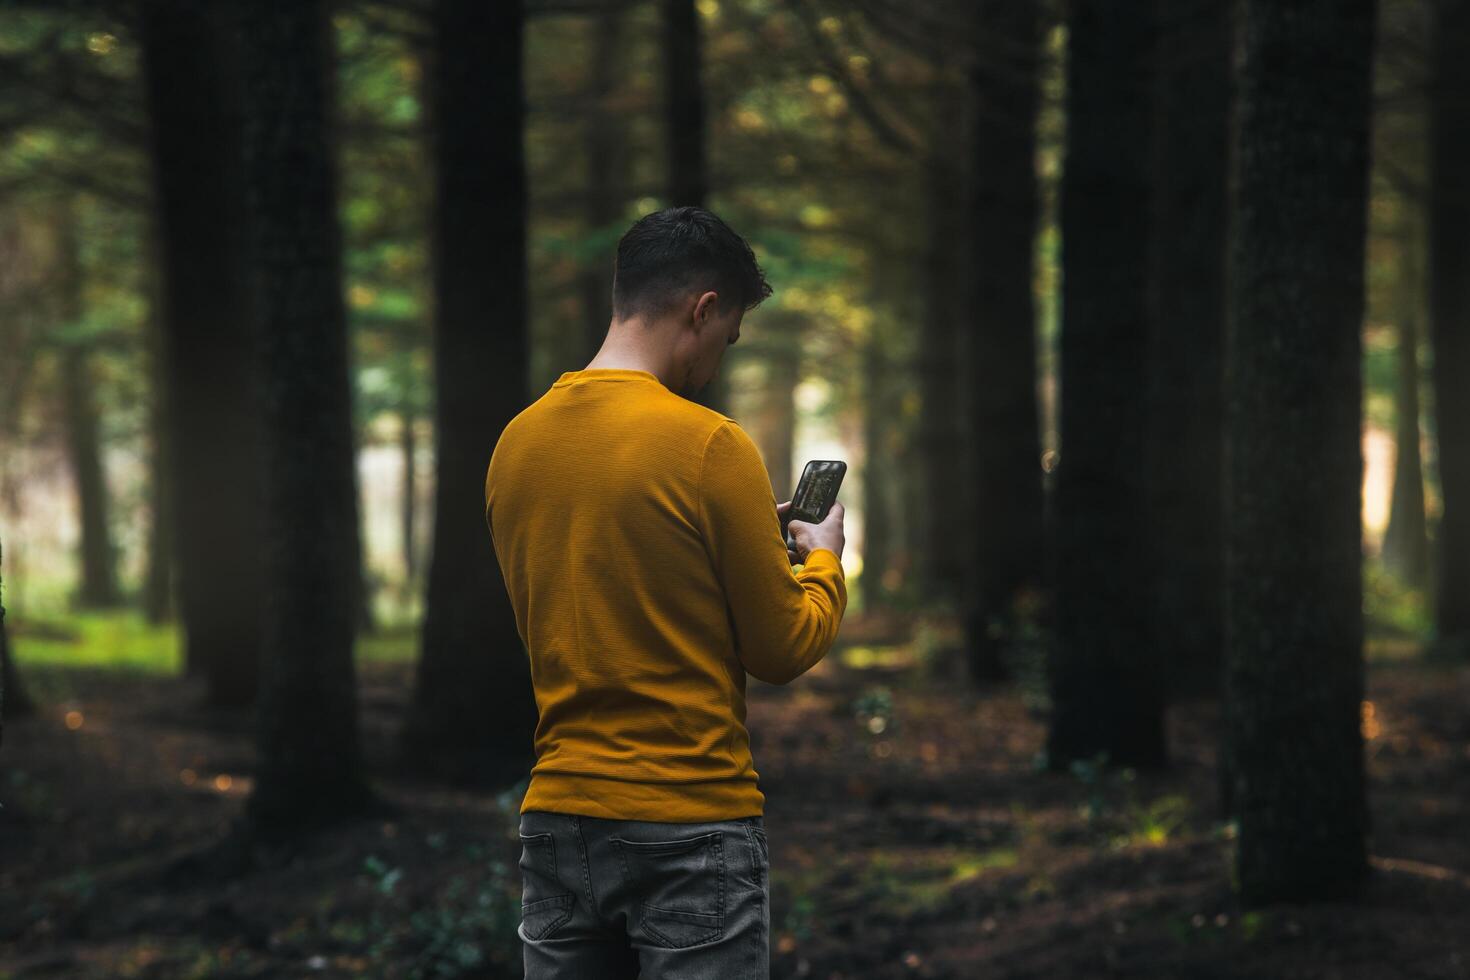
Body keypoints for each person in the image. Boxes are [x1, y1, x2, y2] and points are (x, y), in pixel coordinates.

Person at [485, 206, 849, 978]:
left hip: (557, 820)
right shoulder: (709, 444)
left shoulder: (516, 445)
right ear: (703, 309)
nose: (717, 362)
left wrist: (741, 533)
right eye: (727, 338)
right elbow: (782, 648)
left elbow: (597, 592)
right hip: (689, 824)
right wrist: (823, 562)